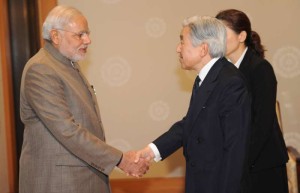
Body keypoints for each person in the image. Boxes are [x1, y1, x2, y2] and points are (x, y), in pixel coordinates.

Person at [19, 5, 149, 193]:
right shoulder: (42, 69)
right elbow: (67, 130)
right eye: (79, 35)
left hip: (80, 180)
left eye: (87, 33)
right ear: (55, 36)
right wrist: (120, 159)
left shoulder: (66, 64)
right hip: (59, 183)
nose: (88, 40)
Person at [136, 16, 251, 193]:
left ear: (203, 49)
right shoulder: (208, 78)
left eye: (182, 42)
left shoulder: (230, 82)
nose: (177, 48)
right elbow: (191, 123)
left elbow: (235, 149)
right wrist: (152, 150)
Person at [216, 9, 289, 193]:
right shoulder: (223, 71)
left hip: (263, 163)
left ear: (241, 36)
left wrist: (240, 160)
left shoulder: (260, 68)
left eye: (222, 34)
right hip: (238, 162)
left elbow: (262, 122)